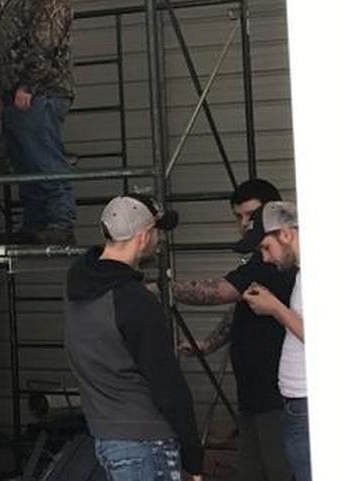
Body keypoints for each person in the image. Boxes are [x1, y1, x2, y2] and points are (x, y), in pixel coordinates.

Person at [65, 193, 203, 481]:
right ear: (143, 236)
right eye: (157, 231)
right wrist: (194, 458)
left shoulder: (77, 290)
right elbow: (167, 385)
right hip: (146, 441)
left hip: (107, 436)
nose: (159, 239)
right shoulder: (134, 300)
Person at [168, 179, 294, 481]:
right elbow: (242, 304)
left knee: (279, 471)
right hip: (253, 396)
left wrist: (163, 287)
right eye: (238, 217)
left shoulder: (279, 262)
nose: (245, 224)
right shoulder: (263, 258)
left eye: (252, 215)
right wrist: (209, 343)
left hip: (276, 397)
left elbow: (222, 291)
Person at [0, 0, 75, 245]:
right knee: (26, 162)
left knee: (43, 158)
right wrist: (0, 89)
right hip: (19, 94)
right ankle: (36, 224)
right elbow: (10, 43)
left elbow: (45, 39)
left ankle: (59, 223)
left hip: (40, 92)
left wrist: (28, 85)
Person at [236, 201, 310, 481]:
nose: (266, 259)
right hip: (297, 404)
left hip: (306, 405)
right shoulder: (303, 273)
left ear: (286, 234)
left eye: (267, 247)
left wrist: (275, 308)